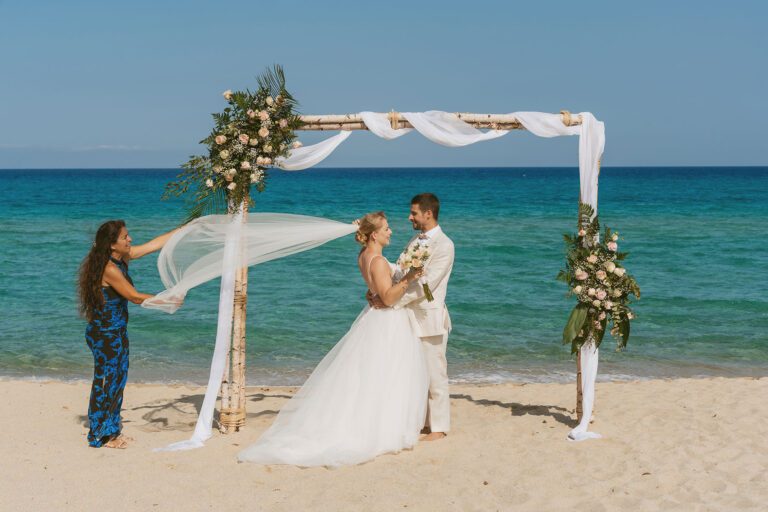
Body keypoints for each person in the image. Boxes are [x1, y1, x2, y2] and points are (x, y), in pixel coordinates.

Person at [237, 211, 429, 467]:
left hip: (372, 318)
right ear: (374, 234)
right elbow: (389, 298)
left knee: (368, 376)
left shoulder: (363, 256)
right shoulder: (380, 262)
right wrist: (408, 277)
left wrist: (373, 294)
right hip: (387, 323)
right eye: (386, 228)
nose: (390, 232)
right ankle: (380, 429)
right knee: (386, 375)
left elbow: (375, 291)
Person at [77, 220, 180, 448]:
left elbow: (154, 245)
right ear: (112, 245)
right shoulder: (109, 268)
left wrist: (183, 231)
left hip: (117, 331)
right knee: (105, 382)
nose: (129, 239)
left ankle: (112, 430)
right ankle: (99, 435)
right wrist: (166, 299)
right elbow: (133, 296)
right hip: (104, 334)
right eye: (125, 237)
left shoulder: (122, 257)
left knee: (118, 380)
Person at [371, 193, 455, 441]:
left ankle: (438, 428)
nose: (410, 217)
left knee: (435, 374)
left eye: (414, 213)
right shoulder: (415, 240)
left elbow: (426, 285)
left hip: (429, 318)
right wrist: (378, 267)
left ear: (428, 213)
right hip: (407, 318)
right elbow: (400, 269)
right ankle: (422, 422)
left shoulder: (444, 245)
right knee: (415, 374)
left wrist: (390, 301)